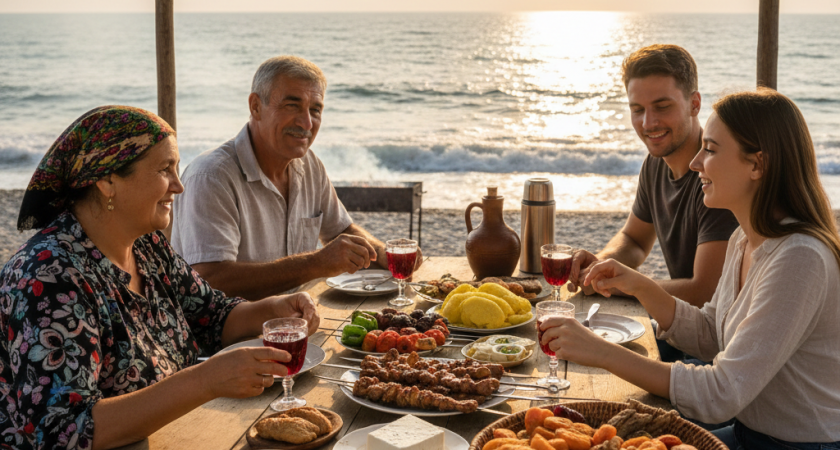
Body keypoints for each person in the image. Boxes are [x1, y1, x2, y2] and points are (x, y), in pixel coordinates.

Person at [0, 106, 321, 450]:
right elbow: (62, 431)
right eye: (165, 169)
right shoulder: (48, 277)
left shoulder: (146, 245)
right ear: (108, 181)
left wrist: (275, 309)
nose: (179, 186)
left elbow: (212, 316)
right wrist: (205, 381)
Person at [540, 89, 840, 449]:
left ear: (757, 165)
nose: (696, 162)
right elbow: (714, 334)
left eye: (710, 150)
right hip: (749, 434)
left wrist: (600, 351)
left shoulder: (799, 260)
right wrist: (640, 286)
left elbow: (720, 393)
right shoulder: (744, 240)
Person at [171, 56, 421, 300]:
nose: (306, 122)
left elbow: (340, 231)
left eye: (315, 109)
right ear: (255, 106)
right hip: (228, 338)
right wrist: (316, 263)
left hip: (298, 322)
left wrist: (386, 255)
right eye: (292, 105)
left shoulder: (309, 164)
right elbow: (210, 280)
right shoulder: (211, 176)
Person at [567, 45, 738, 309]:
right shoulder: (654, 164)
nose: (648, 123)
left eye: (662, 106)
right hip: (682, 322)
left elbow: (705, 291)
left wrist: (621, 283)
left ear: (694, 104)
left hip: (717, 338)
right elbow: (634, 241)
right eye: (637, 110)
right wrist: (601, 264)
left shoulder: (716, 174)